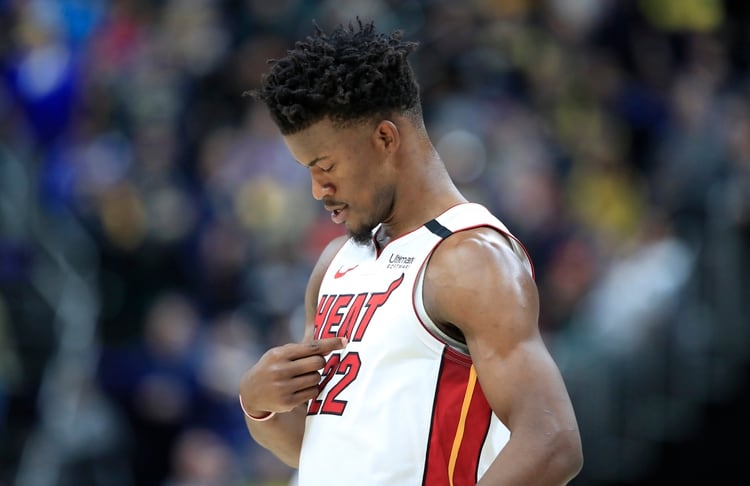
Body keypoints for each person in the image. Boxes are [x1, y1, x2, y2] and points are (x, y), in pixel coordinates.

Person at [238, 19, 583, 485]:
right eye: (308, 171)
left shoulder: (470, 256)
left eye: (325, 166)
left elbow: (552, 441)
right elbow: (314, 446)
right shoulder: (335, 264)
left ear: (385, 139)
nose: (318, 190)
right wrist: (260, 406)